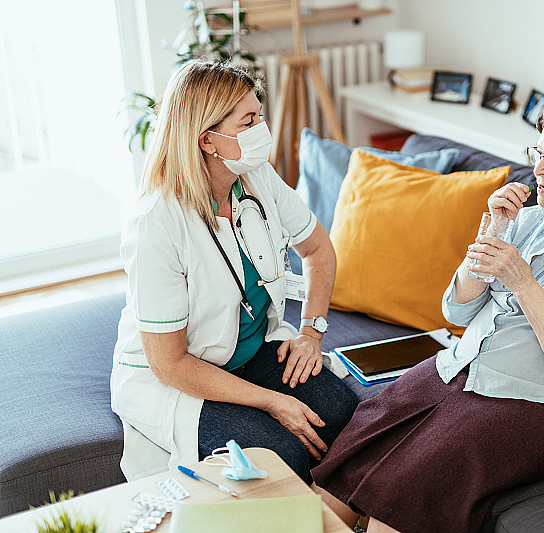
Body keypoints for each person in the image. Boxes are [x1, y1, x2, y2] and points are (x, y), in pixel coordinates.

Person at [310, 86, 544, 533]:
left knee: (408, 490)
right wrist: (492, 231)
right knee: (355, 450)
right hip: (464, 366)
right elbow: (456, 311)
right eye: (538, 153)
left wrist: (522, 281)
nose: (539, 169)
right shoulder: (527, 219)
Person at [110, 60, 359, 483]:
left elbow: (318, 248)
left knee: (342, 415)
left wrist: (311, 333)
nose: (263, 128)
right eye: (249, 121)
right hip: (183, 377)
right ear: (208, 140)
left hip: (252, 351)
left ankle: (340, 510)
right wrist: (272, 402)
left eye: (259, 115)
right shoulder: (155, 222)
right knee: (276, 457)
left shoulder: (257, 176)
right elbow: (169, 363)